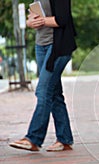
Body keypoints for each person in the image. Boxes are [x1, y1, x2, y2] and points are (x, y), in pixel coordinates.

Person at [9, 0, 77, 152]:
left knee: (43, 91)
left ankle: (33, 138)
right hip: (41, 46)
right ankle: (64, 139)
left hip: (57, 47)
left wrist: (43, 20)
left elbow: (62, 19)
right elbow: (34, 17)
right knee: (54, 93)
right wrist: (30, 22)